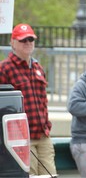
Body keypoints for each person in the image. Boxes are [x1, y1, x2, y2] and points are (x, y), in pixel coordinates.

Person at [0, 23, 57, 176]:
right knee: (29, 175)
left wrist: (47, 125)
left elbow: (43, 101)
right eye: (23, 40)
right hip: (22, 138)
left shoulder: (38, 67)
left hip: (43, 135)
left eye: (31, 39)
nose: (28, 43)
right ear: (13, 43)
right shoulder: (4, 68)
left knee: (50, 174)